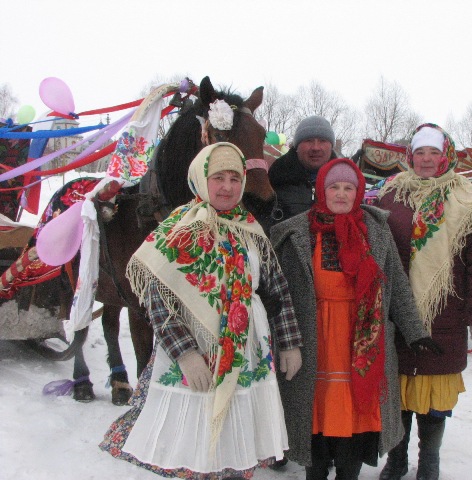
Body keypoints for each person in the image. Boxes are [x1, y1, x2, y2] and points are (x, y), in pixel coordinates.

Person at [99, 142, 303, 479]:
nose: (227, 187)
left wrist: (291, 341)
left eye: (235, 178)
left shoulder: (250, 228)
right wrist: (185, 354)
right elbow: (157, 297)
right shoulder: (181, 229)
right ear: (200, 179)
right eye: (218, 177)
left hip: (248, 350)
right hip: (198, 354)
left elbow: (275, 286)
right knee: (196, 444)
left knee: (238, 441)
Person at [270, 158, 441, 480]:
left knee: (356, 421)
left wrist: (415, 332)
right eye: (334, 186)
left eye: (348, 187)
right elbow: (277, 294)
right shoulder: (292, 234)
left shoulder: (376, 231)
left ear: (359, 191)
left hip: (362, 344)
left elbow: (397, 284)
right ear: (321, 190)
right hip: (312, 342)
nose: (341, 194)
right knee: (313, 422)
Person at [373, 123, 472, 480]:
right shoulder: (390, 195)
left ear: (447, 156)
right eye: (420, 153)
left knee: (434, 397)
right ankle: (396, 459)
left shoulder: (468, 199)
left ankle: (430, 460)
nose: (427, 160)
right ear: (410, 157)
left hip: (446, 312)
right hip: (397, 312)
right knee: (397, 392)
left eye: (434, 153)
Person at [268, 115, 337, 230]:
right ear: (297, 146)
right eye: (309, 140)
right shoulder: (275, 179)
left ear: (331, 146)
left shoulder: (346, 183)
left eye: (322, 141)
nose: (316, 147)